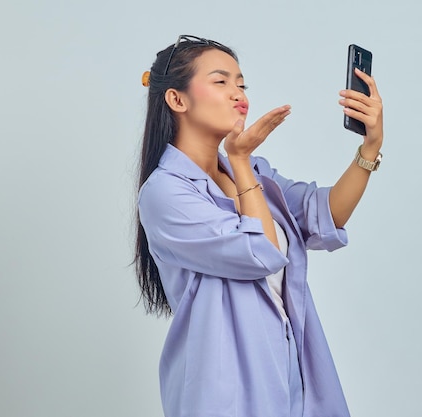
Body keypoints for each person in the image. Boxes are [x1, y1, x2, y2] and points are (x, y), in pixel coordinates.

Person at [134, 35, 384, 417]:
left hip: (291, 375)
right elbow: (260, 252)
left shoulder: (254, 172)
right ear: (177, 99)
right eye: (221, 82)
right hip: (226, 391)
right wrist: (239, 159)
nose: (239, 94)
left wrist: (369, 147)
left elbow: (324, 214)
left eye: (241, 83)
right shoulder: (165, 193)